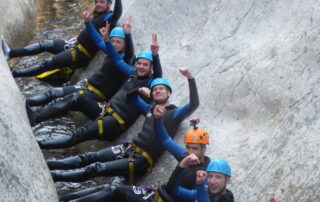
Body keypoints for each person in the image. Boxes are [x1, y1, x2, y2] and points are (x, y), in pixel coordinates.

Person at [47, 67, 199, 186]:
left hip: (141, 160)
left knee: (97, 168)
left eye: (162, 89)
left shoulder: (174, 113)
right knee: (89, 157)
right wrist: (138, 90)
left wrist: (190, 78)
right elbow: (130, 97)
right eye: (155, 89)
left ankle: (56, 177)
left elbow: (193, 104)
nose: (158, 90)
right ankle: (51, 165)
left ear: (169, 93)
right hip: (130, 148)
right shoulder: (149, 109)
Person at [36, 29, 161, 148]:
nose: (140, 67)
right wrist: (107, 40)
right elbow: (115, 58)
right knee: (77, 99)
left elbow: (156, 74)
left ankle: (40, 144)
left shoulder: (151, 83)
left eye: (145, 65)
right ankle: (36, 118)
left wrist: (155, 56)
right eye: (139, 63)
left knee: (81, 133)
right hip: (105, 111)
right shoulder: (132, 73)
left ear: (151, 68)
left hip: (115, 122)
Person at [26, 16, 134, 126]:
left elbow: (130, 52)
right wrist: (88, 22)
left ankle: (36, 118)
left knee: (69, 99)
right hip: (87, 87)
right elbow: (97, 40)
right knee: (54, 92)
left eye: (118, 42)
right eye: (112, 41)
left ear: (124, 44)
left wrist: (128, 35)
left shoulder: (125, 58)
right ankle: (28, 103)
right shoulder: (110, 51)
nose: (114, 44)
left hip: (96, 95)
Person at [1, 0, 122, 80]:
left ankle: (15, 74)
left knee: (47, 63)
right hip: (73, 45)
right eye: (97, 1)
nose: (99, 4)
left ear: (109, 4)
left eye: (102, 2)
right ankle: (10, 53)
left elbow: (118, 12)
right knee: (44, 44)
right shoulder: (97, 12)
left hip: (80, 54)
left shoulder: (109, 17)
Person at [153, 110, 210, 202]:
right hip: (162, 195)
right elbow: (165, 140)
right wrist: (158, 119)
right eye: (188, 147)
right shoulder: (184, 154)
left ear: (203, 149)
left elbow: (198, 197)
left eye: (195, 148)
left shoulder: (206, 172)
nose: (190, 152)